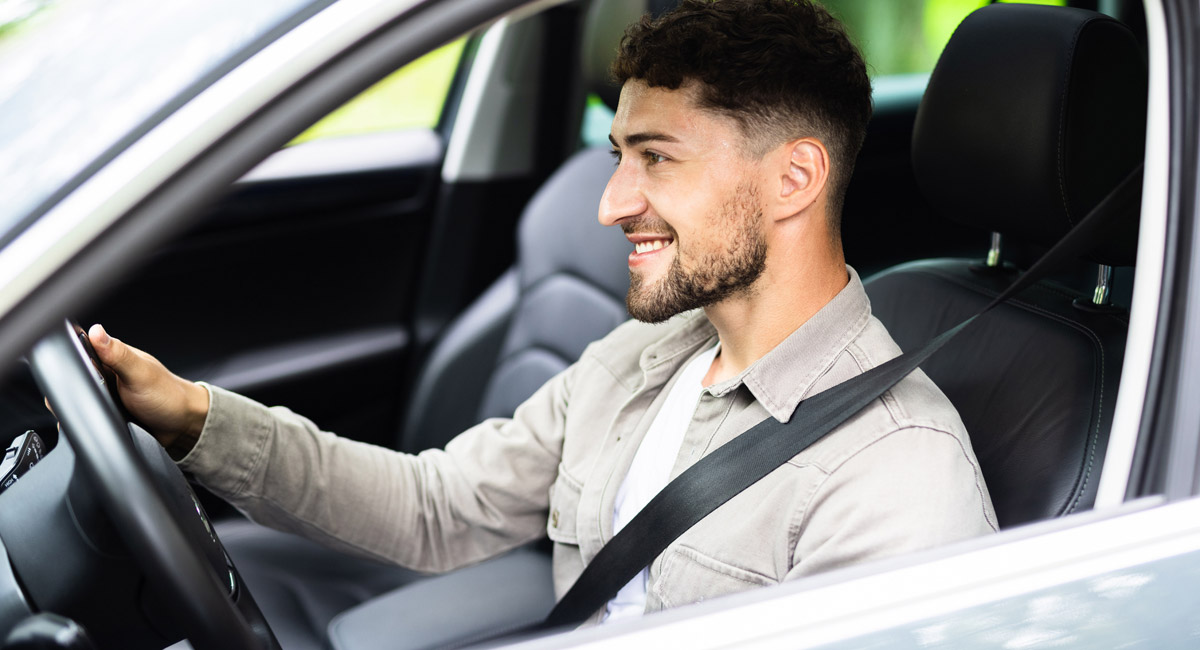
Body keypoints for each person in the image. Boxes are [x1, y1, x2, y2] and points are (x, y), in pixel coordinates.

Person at [85, 0, 996, 626]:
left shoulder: (897, 474)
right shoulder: (646, 357)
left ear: (793, 178)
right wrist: (193, 417)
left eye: (657, 158)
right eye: (617, 155)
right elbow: (437, 509)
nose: (610, 204)